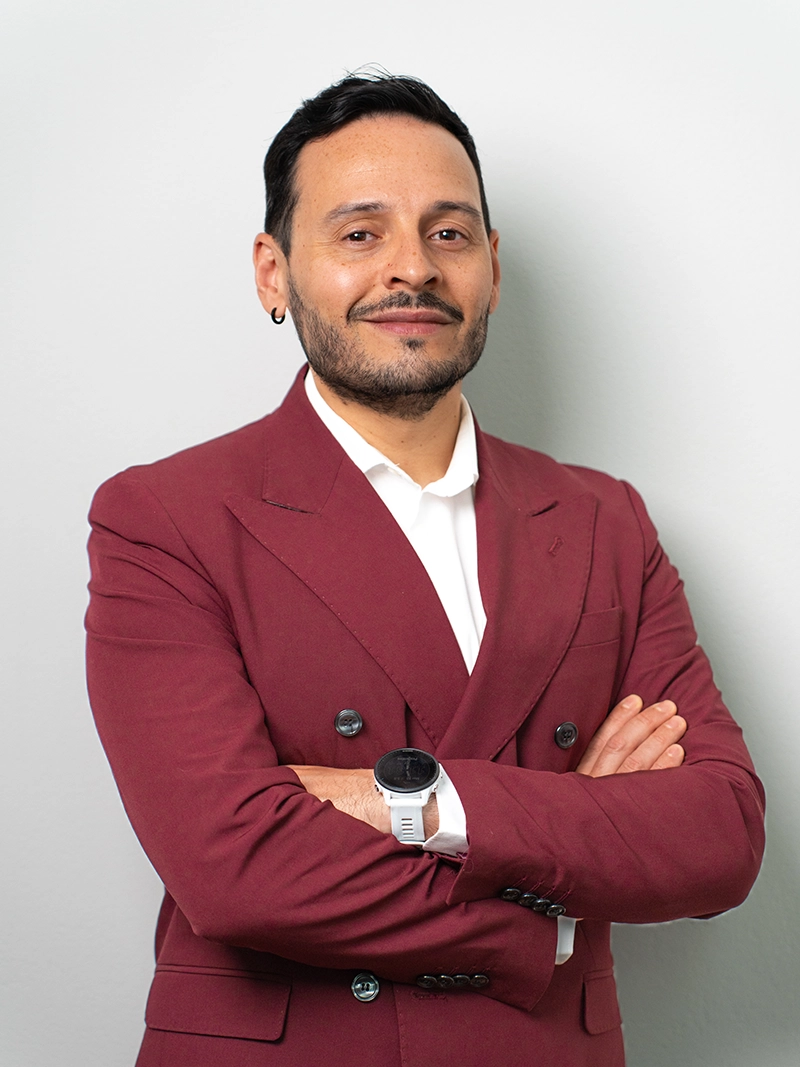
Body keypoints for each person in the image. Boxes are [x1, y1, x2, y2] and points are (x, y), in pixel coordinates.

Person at [85, 74, 765, 1067]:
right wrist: (550, 895)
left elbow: (719, 835)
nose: (412, 267)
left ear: (491, 267)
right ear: (274, 273)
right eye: (359, 233)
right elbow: (232, 867)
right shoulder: (165, 516)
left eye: (448, 233)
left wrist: (412, 801)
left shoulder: (603, 520)